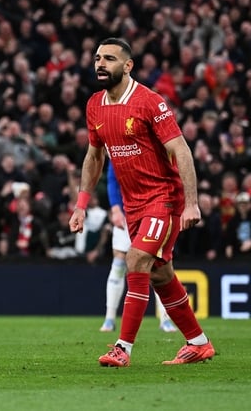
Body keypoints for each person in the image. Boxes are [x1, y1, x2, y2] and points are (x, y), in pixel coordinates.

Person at [69, 37, 214, 368]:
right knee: (161, 274)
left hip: (164, 199)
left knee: (136, 260)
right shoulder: (94, 105)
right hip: (134, 205)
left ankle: (123, 348)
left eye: (109, 58)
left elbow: (181, 150)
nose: (100, 64)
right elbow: (94, 156)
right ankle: (198, 342)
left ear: (128, 65)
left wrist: (191, 203)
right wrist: (81, 204)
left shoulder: (150, 102)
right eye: (97, 58)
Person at [100, 160, 177, 333]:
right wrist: (115, 208)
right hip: (127, 212)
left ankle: (165, 319)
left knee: (159, 263)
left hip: (155, 211)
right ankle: (109, 318)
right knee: (119, 260)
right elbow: (113, 179)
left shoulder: (155, 144)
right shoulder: (118, 144)